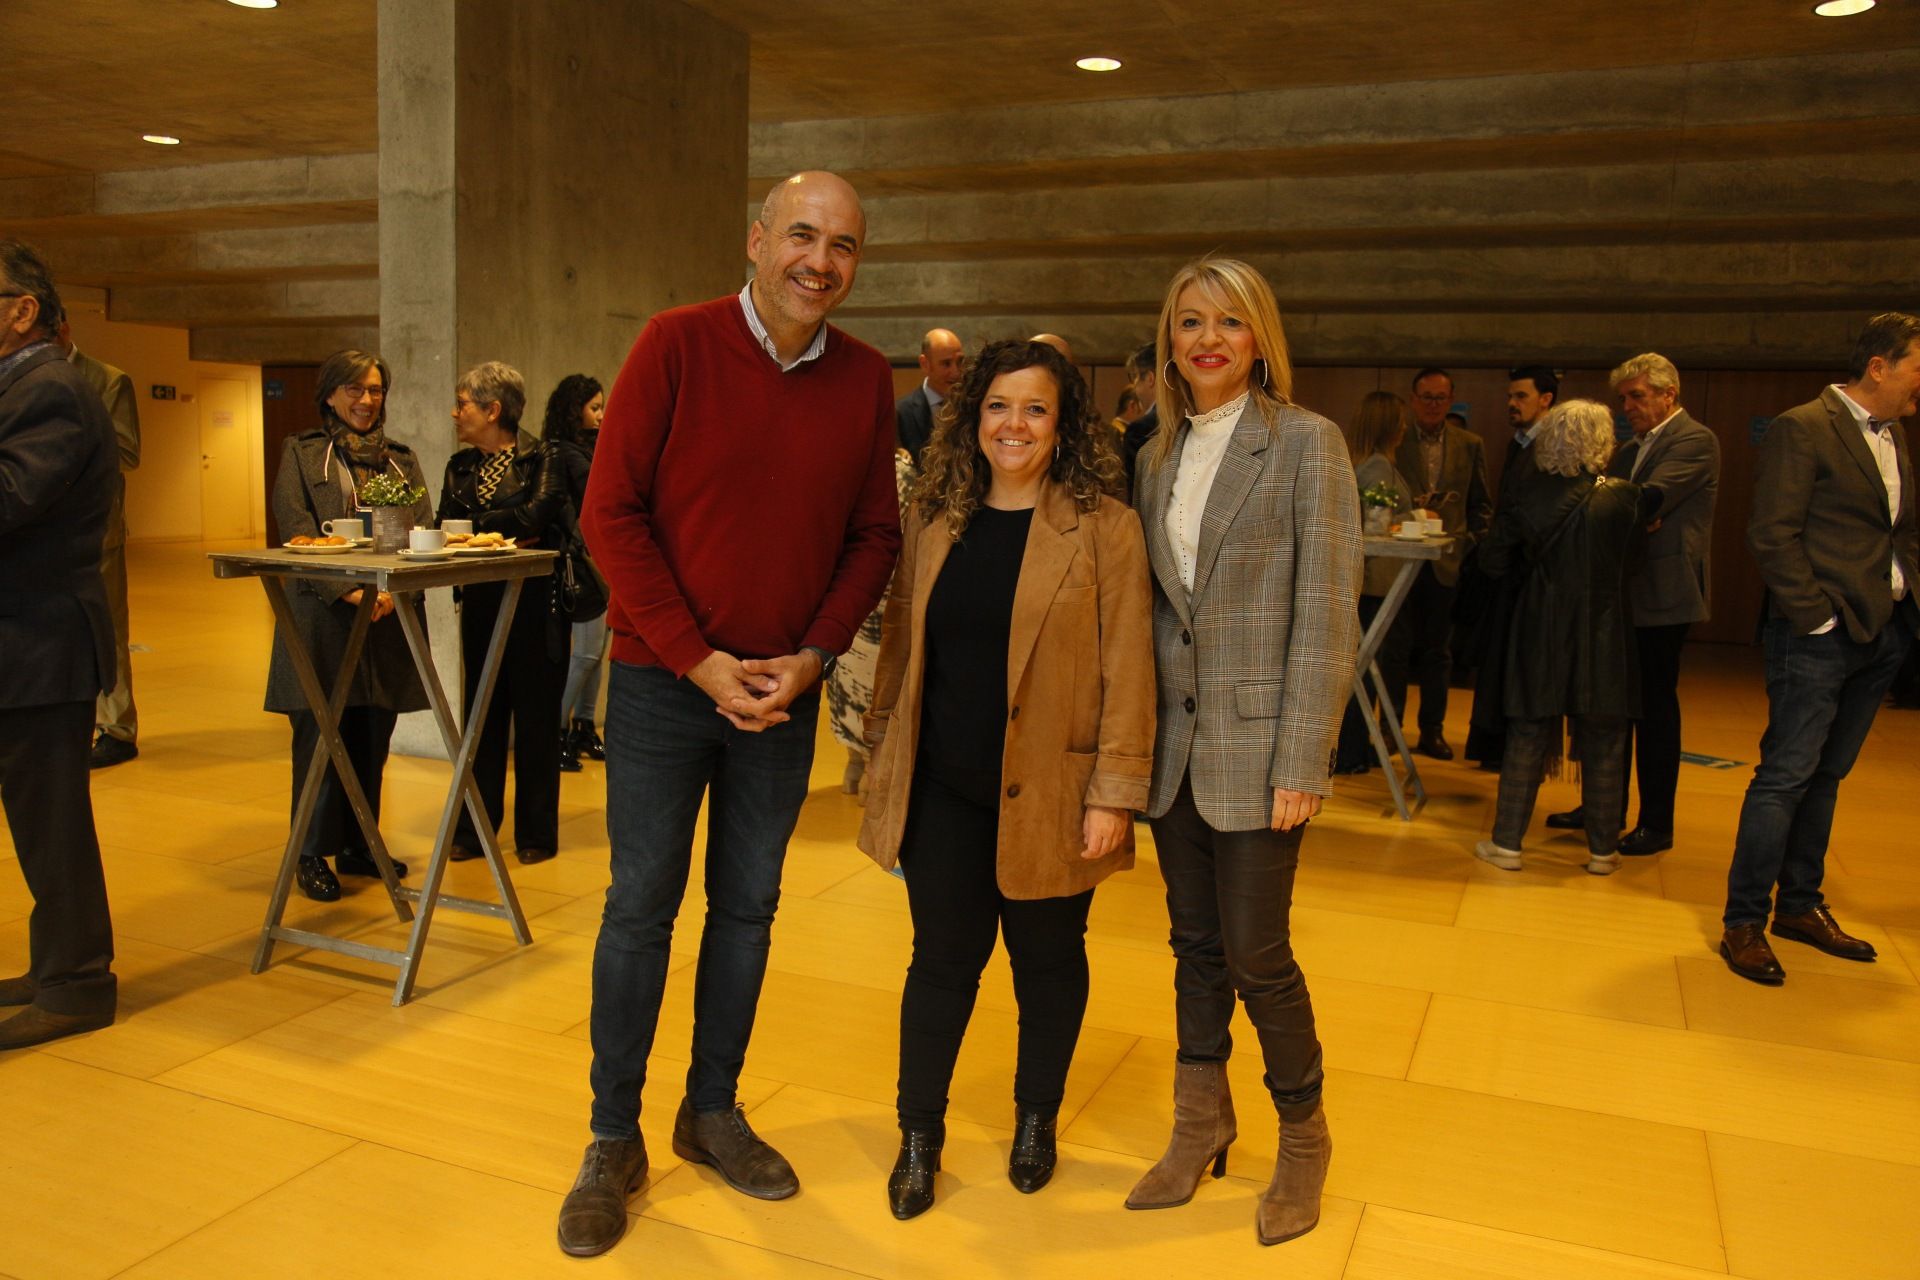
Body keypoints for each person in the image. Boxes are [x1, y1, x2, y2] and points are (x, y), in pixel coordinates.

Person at [561, 171, 902, 1259]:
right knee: (639, 910)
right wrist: (698, 658)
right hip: (668, 683)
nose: (820, 260)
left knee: (748, 910)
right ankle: (613, 1135)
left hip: (779, 697)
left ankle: (711, 1108)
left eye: (842, 245)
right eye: (801, 235)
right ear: (757, 239)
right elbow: (608, 513)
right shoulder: (674, 343)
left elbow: (872, 538)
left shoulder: (863, 379)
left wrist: (810, 658)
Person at [856, 339, 1154, 1219]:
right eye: (997, 407)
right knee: (941, 964)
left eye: (1034, 409)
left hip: (1057, 793)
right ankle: (919, 1135)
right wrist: (881, 765)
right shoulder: (936, 519)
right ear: (971, 417)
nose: (1013, 424)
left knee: (1048, 963)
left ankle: (1036, 1117)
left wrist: (1114, 793)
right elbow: (902, 654)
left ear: (1063, 427)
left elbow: (1129, 667)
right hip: (945, 787)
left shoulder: (1106, 527)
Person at [1128, 257, 1360, 1246]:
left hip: (1263, 747)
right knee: (1193, 946)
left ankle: (1302, 1135)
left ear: (1260, 336)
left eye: (1229, 321)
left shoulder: (1307, 443)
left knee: (1259, 952)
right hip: (1173, 749)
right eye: (1190, 322)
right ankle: (1199, 1119)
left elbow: (1326, 611)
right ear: (1169, 338)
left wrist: (1303, 755)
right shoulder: (1156, 454)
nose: (1208, 338)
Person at [1719, 312, 1920, 986]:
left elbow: (1897, 533)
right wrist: (1816, 619)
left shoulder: (1894, 436)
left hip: (1882, 634)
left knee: (1827, 779)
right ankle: (1743, 920)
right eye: (1918, 366)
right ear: (1879, 366)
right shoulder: (1803, 427)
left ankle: (1799, 906)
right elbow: (1771, 533)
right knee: (1785, 777)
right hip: (1820, 637)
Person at [0, 239, 119, 1051]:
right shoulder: (27, 386)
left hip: (38, 645)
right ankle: (56, 966)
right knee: (38, 820)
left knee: (53, 824)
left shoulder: (52, 391)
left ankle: (77, 983)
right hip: (23, 645)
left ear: (21, 310)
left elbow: (11, 499)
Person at [265, 349, 433, 902]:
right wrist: (350, 590)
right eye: (356, 390)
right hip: (324, 616)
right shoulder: (303, 453)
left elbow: (423, 530)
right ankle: (310, 851)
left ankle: (362, 842)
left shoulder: (400, 461)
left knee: (371, 731)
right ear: (331, 394)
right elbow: (294, 526)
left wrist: (384, 592)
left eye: (376, 390)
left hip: (385, 617)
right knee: (319, 734)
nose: (367, 401)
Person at [1470, 400, 1647, 876]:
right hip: (1606, 630)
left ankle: (1507, 844)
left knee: (1527, 732)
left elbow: (1492, 563)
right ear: (1604, 442)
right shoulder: (1627, 498)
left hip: (1540, 626)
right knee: (1605, 739)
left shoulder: (1526, 497)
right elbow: (1637, 564)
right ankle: (1603, 852)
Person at [438, 360, 568, 866]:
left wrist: (474, 526)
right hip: (482, 598)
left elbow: (539, 512)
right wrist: (491, 529)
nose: (455, 413)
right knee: (481, 717)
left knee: (537, 719)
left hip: (537, 600)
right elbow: (443, 524)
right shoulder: (460, 466)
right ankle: (474, 829)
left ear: (493, 410)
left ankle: (536, 833)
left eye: (464, 403)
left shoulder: (544, 456)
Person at [1388, 367, 1491, 759]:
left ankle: (1432, 730)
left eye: (1440, 398)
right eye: (1425, 397)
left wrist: (1468, 544)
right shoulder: (1397, 444)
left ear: (1450, 402)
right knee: (1395, 648)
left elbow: (1481, 503)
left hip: (1446, 562)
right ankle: (1390, 727)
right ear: (1413, 400)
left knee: (1438, 652)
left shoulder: (1469, 444)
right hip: (1399, 559)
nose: (1432, 405)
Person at [55, 315, 141, 769]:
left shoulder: (108, 380)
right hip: (38, 529)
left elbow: (127, 451)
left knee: (107, 629)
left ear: (64, 330)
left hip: (95, 530)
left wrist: (59, 444)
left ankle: (118, 729)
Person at [1465, 365, 1560, 771]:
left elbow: (1528, 514)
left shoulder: (1551, 447)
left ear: (1546, 400)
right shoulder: (1518, 443)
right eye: (1510, 397)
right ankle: (1495, 745)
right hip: (1506, 570)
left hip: (1531, 576)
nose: (1511, 404)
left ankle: (1518, 753)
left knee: (1520, 667)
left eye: (1521, 396)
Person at [1333, 391, 1414, 774]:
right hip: (1373, 582)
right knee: (1359, 671)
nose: (1404, 428)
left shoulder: (1362, 462)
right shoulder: (1377, 467)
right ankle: (1351, 751)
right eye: (1399, 421)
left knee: (1358, 670)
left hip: (1370, 582)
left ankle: (1355, 749)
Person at [545, 374, 609, 773]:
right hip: (579, 563)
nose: (601, 416)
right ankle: (554, 731)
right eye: (594, 408)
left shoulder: (588, 449)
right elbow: (597, 497)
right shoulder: (566, 453)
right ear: (575, 411)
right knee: (585, 652)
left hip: (599, 562)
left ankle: (582, 727)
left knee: (598, 653)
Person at [894, 328, 963, 465]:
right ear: (925, 364)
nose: (956, 372)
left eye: (960, 361)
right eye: (946, 364)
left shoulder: (973, 406)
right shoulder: (901, 412)